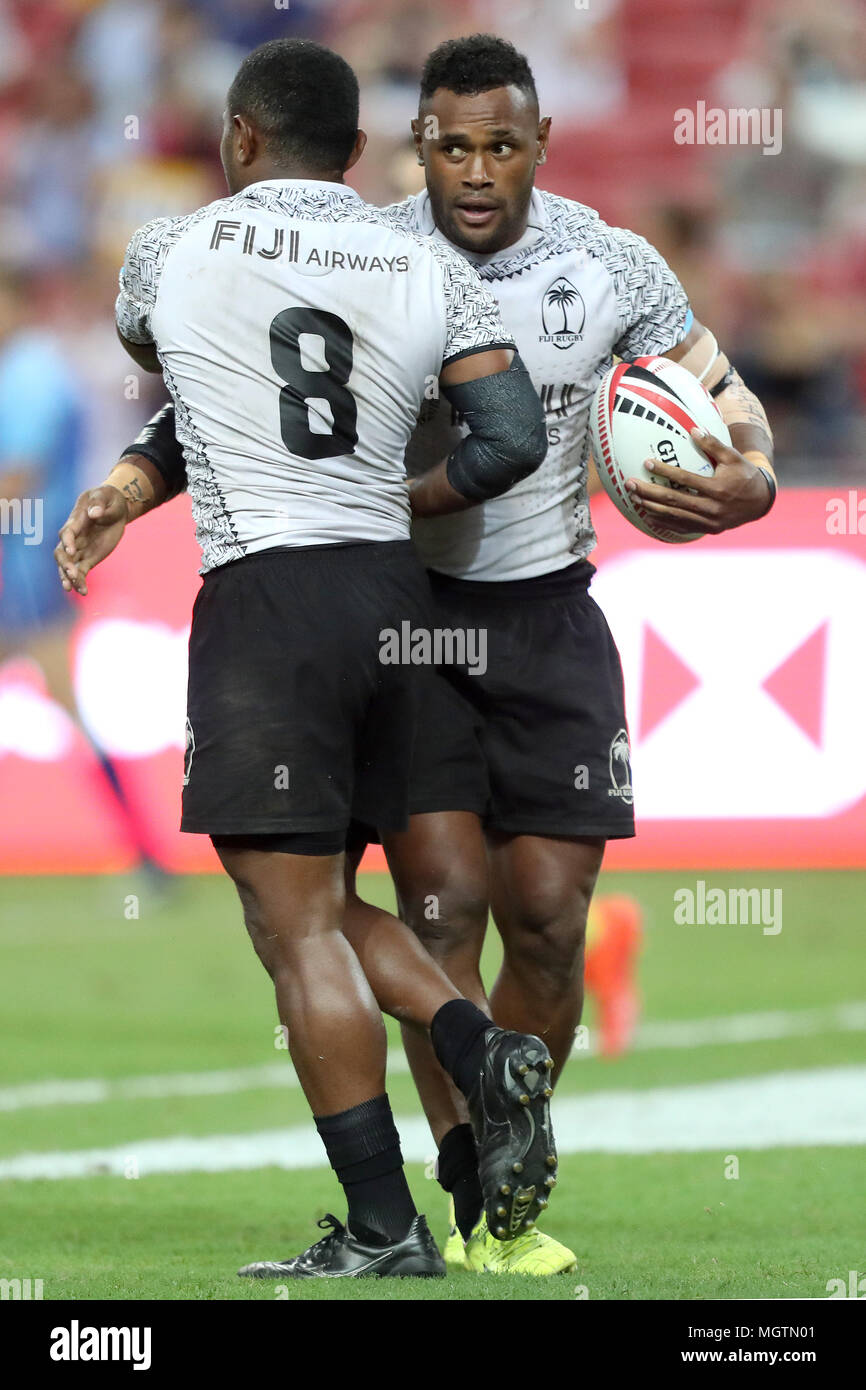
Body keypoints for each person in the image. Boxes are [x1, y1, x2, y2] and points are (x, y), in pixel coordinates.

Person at [58, 34, 776, 1278]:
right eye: (450, 144)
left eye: (501, 144)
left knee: (511, 920)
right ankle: (466, 1184)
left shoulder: (606, 263)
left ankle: (449, 1198)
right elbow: (426, 421)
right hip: (410, 614)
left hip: (511, 608)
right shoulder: (392, 253)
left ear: (542, 142)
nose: (476, 169)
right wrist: (168, 479)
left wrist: (753, 475)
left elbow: (720, 393)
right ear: (398, 149)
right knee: (439, 908)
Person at [80, 37, 558, 1281]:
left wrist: (138, 474)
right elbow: (505, 433)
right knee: (337, 910)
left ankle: (386, 1226)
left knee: (293, 927)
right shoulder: (421, 261)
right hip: (401, 596)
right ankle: (473, 1037)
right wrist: (400, 495)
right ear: (359, 155)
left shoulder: (168, 250)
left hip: (268, 599)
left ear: (238, 138)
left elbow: (180, 363)